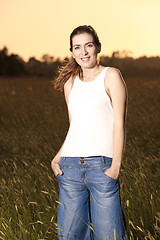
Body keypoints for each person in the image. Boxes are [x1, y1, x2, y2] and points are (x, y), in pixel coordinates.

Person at [51, 25, 129, 240]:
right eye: (77, 47)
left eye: (88, 45)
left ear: (98, 47)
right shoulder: (70, 83)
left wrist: (115, 168)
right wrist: (56, 160)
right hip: (70, 170)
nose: (83, 52)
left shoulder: (111, 75)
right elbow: (75, 127)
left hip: (102, 168)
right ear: (72, 52)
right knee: (69, 237)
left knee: (110, 236)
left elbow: (119, 124)